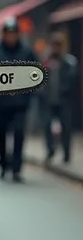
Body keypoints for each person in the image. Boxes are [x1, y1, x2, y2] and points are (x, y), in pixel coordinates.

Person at [0, 18, 37, 182]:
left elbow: (36, 74)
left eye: (14, 34)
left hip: (20, 103)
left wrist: (32, 93)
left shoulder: (27, 52)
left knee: (19, 134)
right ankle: (3, 164)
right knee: (1, 135)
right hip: (1, 102)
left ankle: (16, 168)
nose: (11, 37)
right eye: (8, 34)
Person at [40, 31, 78, 164]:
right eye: (53, 45)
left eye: (58, 45)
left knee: (66, 127)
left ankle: (66, 154)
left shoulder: (69, 62)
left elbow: (72, 80)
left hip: (64, 100)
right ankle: (50, 151)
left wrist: (64, 92)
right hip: (49, 100)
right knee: (47, 126)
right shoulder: (46, 61)